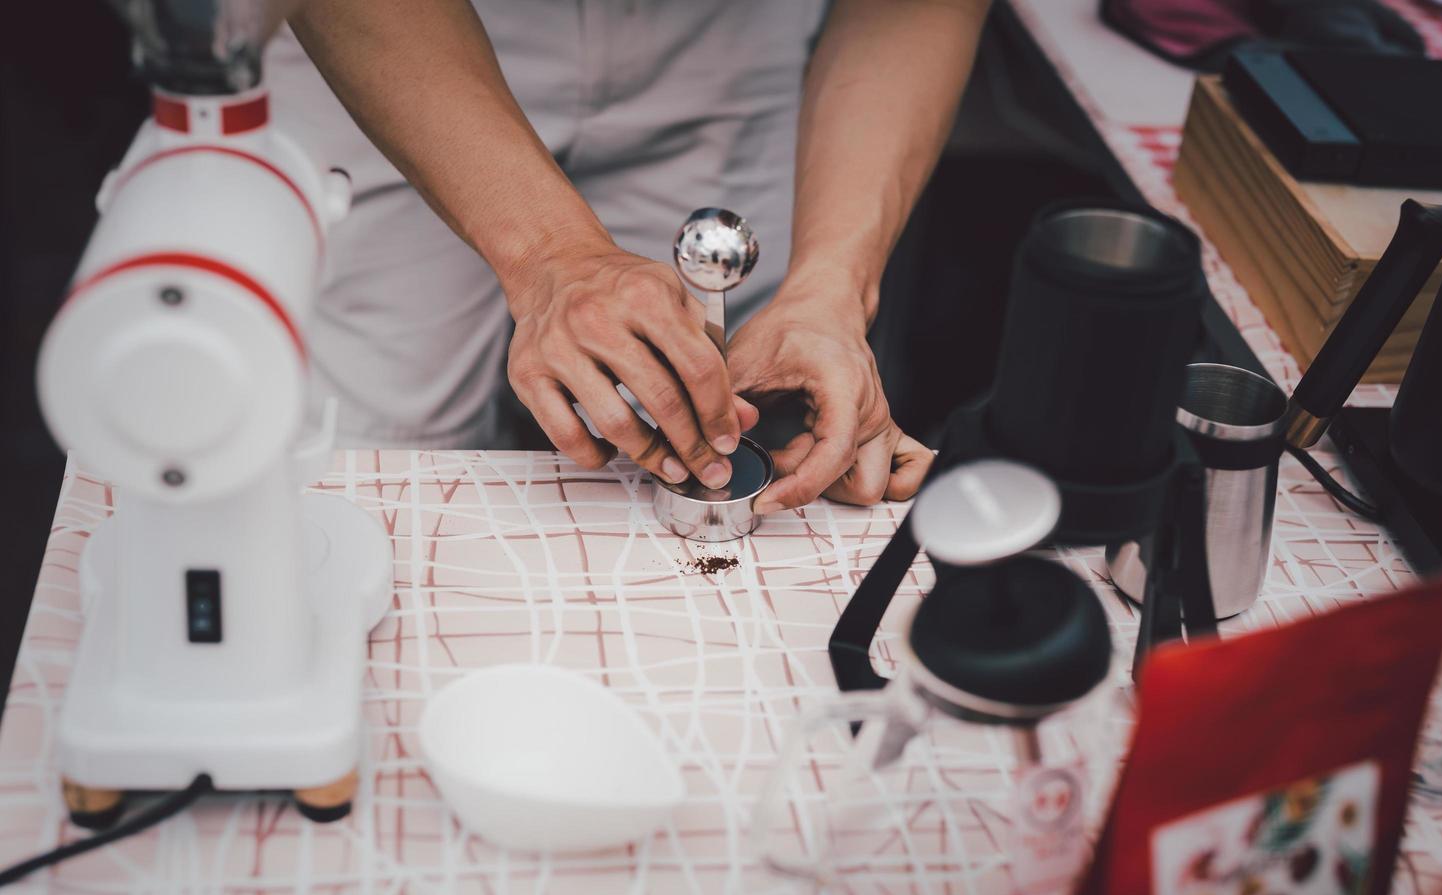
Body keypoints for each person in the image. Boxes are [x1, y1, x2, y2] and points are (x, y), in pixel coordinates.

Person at [276, 0, 991, 513]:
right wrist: (552, 254)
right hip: (395, 36)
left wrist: (833, 289)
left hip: (732, 40)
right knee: (377, 469)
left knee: (735, 395)